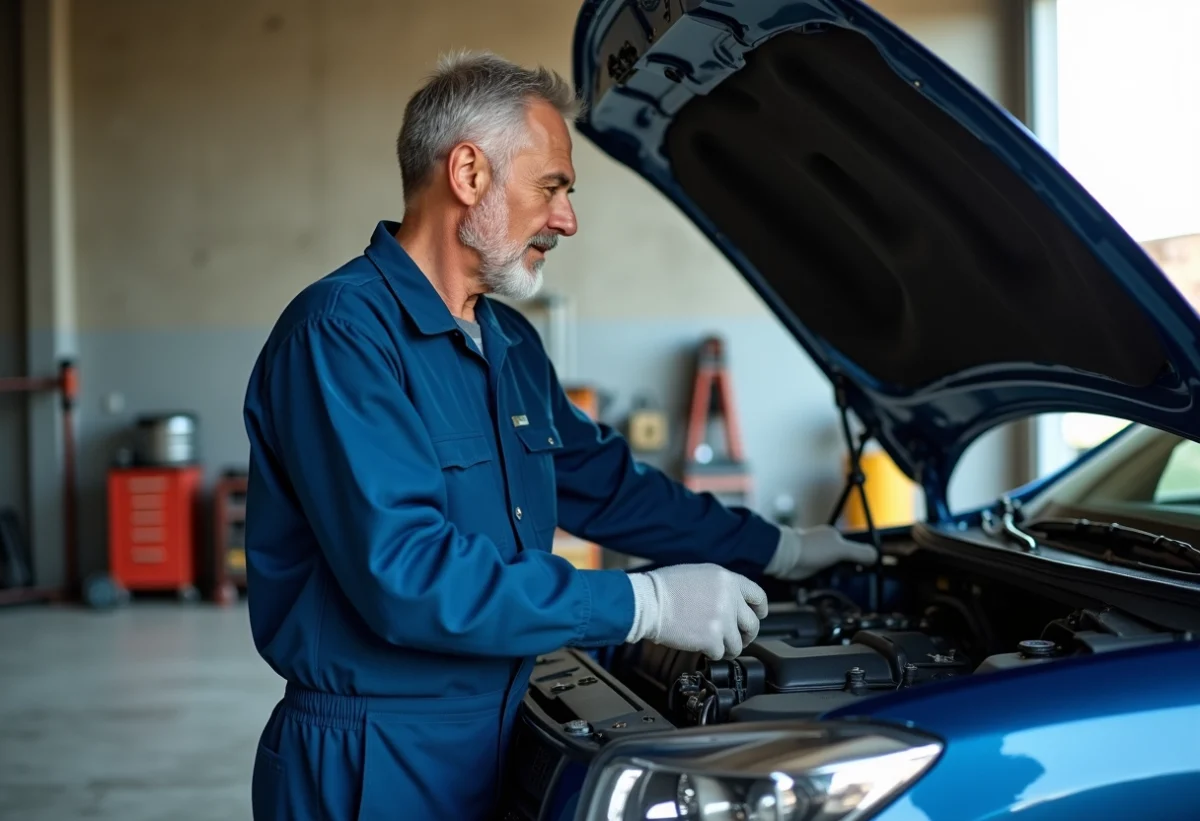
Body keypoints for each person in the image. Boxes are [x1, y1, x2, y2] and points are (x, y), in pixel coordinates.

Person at [241, 51, 877, 820]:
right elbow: (406, 576)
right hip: (376, 753)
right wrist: (640, 603)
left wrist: (781, 547)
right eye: (553, 187)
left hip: (502, 726)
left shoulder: (506, 341)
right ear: (469, 174)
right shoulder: (342, 335)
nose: (568, 220)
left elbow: (608, 489)